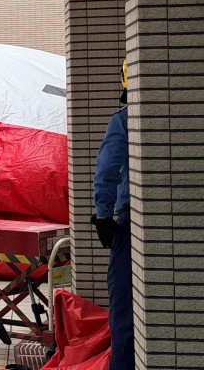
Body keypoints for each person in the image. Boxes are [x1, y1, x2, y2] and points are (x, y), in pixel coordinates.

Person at [91, 59, 131, 370]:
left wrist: (103, 216)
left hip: (130, 225)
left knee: (124, 310)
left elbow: (107, 169)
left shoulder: (125, 120)